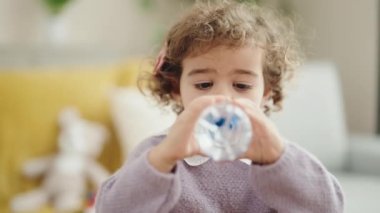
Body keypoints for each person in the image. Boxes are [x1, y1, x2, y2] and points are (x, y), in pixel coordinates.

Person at [95, 1, 344, 212]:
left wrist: (277, 158)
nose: (223, 97)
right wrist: (162, 158)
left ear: (266, 93)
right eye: (204, 84)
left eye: (242, 85)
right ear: (176, 89)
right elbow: (110, 207)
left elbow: (328, 206)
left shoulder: (276, 158)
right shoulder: (158, 154)